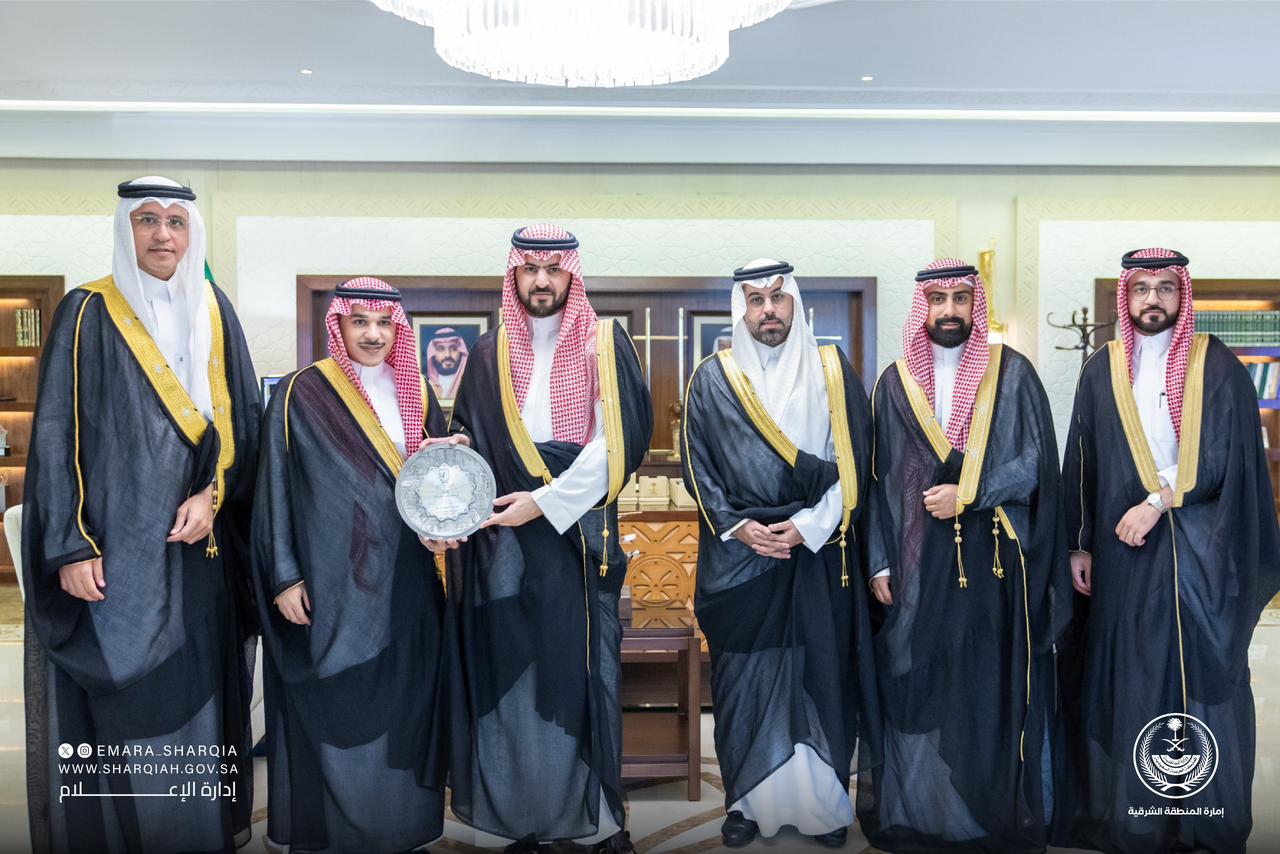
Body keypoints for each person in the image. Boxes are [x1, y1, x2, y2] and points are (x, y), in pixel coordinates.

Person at [23, 176, 260, 853]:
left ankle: (195, 829)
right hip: (115, 547)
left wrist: (212, 494)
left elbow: (242, 418)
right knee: (129, 695)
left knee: (197, 686)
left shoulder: (214, 308)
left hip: (200, 543)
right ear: (126, 229)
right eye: (147, 219)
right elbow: (57, 431)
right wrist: (71, 545)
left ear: (191, 234)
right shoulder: (87, 309)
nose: (162, 234)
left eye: (176, 221)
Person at [1062, 248, 1280, 854]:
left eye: (1165, 287)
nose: (1152, 299)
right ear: (1126, 297)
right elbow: (1081, 458)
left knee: (1199, 674)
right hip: (1119, 550)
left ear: (1182, 295)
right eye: (1141, 288)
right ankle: (1139, 818)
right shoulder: (1102, 368)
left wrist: (1158, 501)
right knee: (1132, 672)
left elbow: (1223, 454)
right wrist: (1079, 544)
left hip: (1198, 550)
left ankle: (1202, 819)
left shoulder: (1217, 365)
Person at [444, 224, 652, 853]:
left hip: (574, 538)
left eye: (553, 269)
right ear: (514, 274)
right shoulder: (487, 353)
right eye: (530, 269)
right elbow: (473, 435)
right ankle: (525, 819)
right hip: (502, 546)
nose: (541, 281)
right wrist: (459, 445)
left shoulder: (603, 342)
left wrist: (546, 501)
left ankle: (600, 826)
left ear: (571, 275)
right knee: (512, 677)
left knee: (581, 673)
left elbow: (619, 442)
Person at [858, 258, 1070, 853]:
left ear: (975, 305)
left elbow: (1036, 464)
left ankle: (989, 814)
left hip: (997, 560)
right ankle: (928, 813)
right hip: (917, 563)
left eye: (960, 298)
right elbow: (879, 479)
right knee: (924, 681)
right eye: (938, 299)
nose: (949, 310)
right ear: (922, 307)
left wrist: (971, 493)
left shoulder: (1013, 373)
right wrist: (879, 561)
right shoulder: (895, 382)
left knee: (988, 684)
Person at [680, 259, 880, 849]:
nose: (768, 310)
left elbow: (857, 463)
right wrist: (740, 527)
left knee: (820, 675)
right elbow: (698, 466)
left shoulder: (832, 370)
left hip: (816, 550)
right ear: (740, 309)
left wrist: (808, 526)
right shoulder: (711, 378)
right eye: (756, 299)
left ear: (794, 302)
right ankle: (745, 804)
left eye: (777, 297)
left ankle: (824, 808)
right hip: (740, 558)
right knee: (744, 679)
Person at [252, 277, 454, 853]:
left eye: (384, 323)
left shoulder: (417, 390)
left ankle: (401, 828)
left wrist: (446, 524)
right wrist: (284, 575)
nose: (373, 334)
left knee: (405, 696)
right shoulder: (301, 391)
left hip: (410, 576)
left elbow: (442, 480)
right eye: (360, 321)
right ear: (337, 324)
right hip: (328, 578)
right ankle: (330, 832)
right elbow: (274, 488)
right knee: (334, 695)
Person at [425, 326, 469, 400]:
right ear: (433, 353)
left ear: (461, 352)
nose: (447, 355)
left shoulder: (470, 382)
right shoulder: (426, 384)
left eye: (453, 348)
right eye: (440, 349)